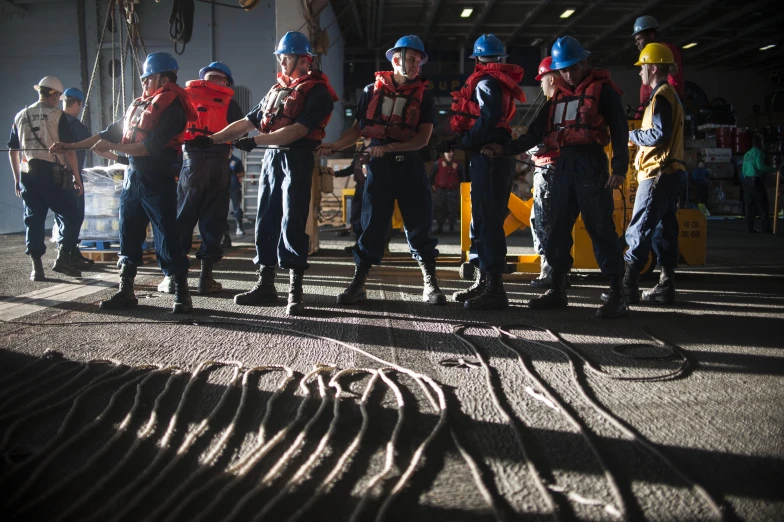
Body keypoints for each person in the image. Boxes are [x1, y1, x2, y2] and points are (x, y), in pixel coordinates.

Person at [191, 32, 337, 316]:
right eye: (281, 57)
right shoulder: (276, 90)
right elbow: (246, 122)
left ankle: (295, 291)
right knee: (265, 220)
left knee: (292, 221)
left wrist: (256, 142)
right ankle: (266, 284)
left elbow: (297, 131)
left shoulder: (318, 92)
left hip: (296, 158)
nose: (282, 62)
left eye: (288, 57)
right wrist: (211, 139)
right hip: (272, 158)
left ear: (305, 60)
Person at [484, 36, 629, 318]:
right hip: (563, 166)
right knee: (557, 228)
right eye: (563, 70)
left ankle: (617, 293)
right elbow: (534, 134)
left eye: (573, 68)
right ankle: (557, 288)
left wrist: (620, 169)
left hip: (591, 164)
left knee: (600, 227)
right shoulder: (557, 99)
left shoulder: (604, 92)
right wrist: (503, 148)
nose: (568, 74)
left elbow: (620, 130)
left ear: (584, 63)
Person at [52, 52, 197, 313]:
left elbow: (149, 148)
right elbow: (107, 133)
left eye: (148, 78)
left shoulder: (173, 110)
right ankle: (126, 290)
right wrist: (69, 146)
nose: (144, 84)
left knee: (167, 235)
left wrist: (114, 147)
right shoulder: (141, 105)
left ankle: (182, 294)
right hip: (134, 179)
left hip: (158, 180)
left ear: (164, 79)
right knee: (127, 231)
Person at [318, 35, 445, 306]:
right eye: (411, 59)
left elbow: (422, 140)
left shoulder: (425, 97)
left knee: (419, 225)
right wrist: (336, 145)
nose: (416, 65)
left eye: (419, 61)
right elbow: (357, 130)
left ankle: (430, 284)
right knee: (372, 227)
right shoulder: (370, 92)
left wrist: (389, 148)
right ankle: (359, 283)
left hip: (410, 167)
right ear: (396, 59)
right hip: (379, 171)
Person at [441, 34, 525, 310]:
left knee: (488, 222)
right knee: (482, 221)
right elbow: (485, 121)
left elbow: (488, 120)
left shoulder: (486, 82)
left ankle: (495, 290)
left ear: (476, 60)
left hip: (490, 157)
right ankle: (483, 280)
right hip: (486, 155)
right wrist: (459, 142)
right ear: (500, 58)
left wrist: (463, 141)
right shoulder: (494, 82)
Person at [157, 61, 245, 295]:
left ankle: (174, 278)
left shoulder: (185, 98)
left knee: (183, 218)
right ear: (225, 81)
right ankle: (206, 278)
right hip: (220, 165)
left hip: (190, 164)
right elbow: (239, 133)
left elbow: (172, 132)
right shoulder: (230, 103)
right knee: (213, 221)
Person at [613, 43, 686, 306]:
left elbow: (658, 134)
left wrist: (630, 135)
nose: (639, 72)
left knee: (639, 228)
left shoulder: (661, 96)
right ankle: (666, 286)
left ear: (653, 68)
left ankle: (627, 287)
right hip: (673, 172)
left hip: (657, 172)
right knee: (664, 231)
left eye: (642, 67)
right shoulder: (671, 95)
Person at [8, 76, 84, 281]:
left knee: (33, 220)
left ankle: (37, 268)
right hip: (52, 174)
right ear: (54, 95)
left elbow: (13, 150)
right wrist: (77, 178)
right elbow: (68, 151)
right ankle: (62, 257)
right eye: (58, 96)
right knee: (72, 215)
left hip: (27, 175)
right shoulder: (58, 115)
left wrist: (17, 179)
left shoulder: (20, 115)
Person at [528, 56, 560, 289]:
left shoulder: (553, 108)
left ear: (551, 78)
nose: (540, 85)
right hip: (554, 170)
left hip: (548, 170)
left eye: (542, 80)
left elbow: (542, 142)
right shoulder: (564, 105)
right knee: (547, 221)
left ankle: (549, 273)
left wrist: (526, 146)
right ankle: (556, 272)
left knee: (543, 221)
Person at [59, 87, 95, 269]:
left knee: (63, 218)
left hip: (54, 177)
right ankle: (69, 256)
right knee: (75, 216)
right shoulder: (77, 127)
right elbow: (88, 149)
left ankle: (70, 252)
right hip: (72, 176)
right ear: (78, 104)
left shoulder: (54, 121)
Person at [631, 16, 685, 116]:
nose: (636, 43)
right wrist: (639, 116)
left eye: (639, 39)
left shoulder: (666, 51)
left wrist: (661, 105)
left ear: (651, 35)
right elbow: (646, 91)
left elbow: (674, 84)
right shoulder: (649, 55)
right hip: (652, 107)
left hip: (662, 107)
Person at [332, 137, 371, 251]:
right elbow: (352, 168)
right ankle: (359, 246)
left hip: (373, 189)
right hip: (360, 187)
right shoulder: (360, 148)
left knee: (371, 219)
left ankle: (378, 247)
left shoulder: (377, 148)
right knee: (356, 219)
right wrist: (335, 173)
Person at [741, 135, 776, 233]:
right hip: (755, 181)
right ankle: (766, 227)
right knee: (763, 204)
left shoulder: (747, 154)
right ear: (760, 143)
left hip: (747, 181)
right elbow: (760, 167)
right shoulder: (760, 153)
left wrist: (746, 179)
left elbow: (743, 170)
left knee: (749, 205)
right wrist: (774, 169)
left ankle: (749, 228)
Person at [430, 151, 463, 234]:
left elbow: (462, 176)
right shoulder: (439, 163)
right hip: (441, 190)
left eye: (450, 152)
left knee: (452, 208)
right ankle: (440, 226)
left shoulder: (457, 164)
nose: (448, 154)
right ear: (444, 154)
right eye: (447, 152)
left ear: (453, 153)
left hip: (453, 190)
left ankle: (452, 227)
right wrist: (432, 184)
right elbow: (432, 174)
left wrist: (462, 187)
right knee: (440, 207)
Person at [221, 145, 245, 248]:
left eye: (230, 149)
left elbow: (242, 173)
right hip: (222, 187)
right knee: (221, 210)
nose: (229, 151)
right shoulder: (220, 160)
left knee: (236, 208)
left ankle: (239, 227)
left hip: (234, 187)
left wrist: (234, 174)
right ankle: (224, 234)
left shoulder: (236, 160)